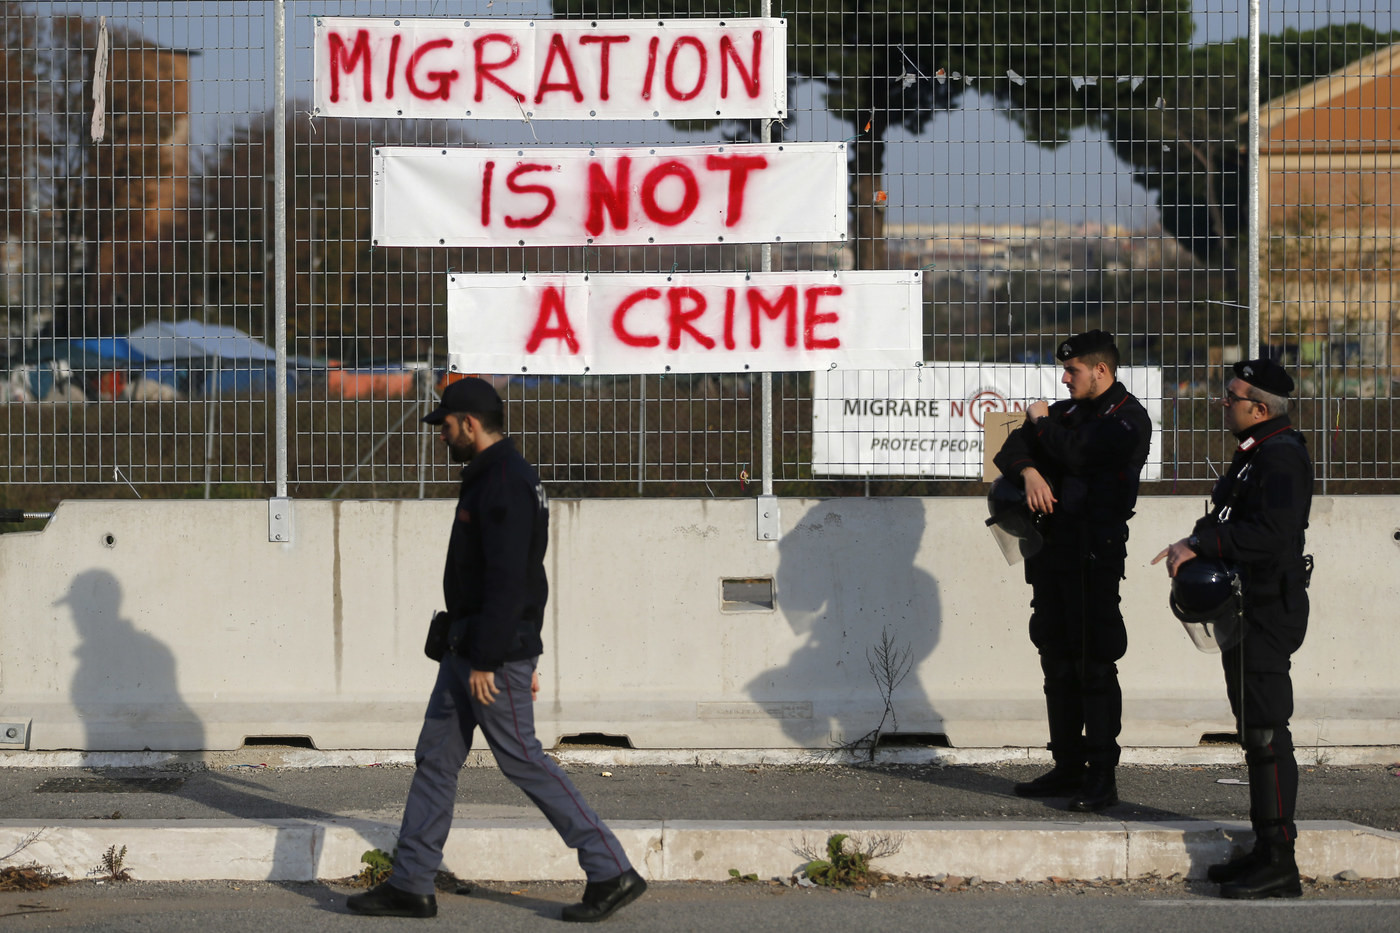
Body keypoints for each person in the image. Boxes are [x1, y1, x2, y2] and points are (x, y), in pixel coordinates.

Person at [348, 377, 646, 922]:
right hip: (470, 648)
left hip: (488, 656)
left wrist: (498, 656)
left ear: (469, 423)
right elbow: (518, 576)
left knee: (523, 761)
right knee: (435, 758)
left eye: (445, 426)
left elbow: (513, 578)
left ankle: (610, 870)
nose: (440, 436)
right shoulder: (491, 475)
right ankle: (411, 884)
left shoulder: (505, 480)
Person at [1153, 358, 1312, 900]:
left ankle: (1279, 863)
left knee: (1267, 736)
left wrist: (1200, 546)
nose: (1224, 403)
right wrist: (1192, 540)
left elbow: (1271, 533)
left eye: (1233, 397)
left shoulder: (1282, 456)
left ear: (1260, 408)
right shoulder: (1255, 454)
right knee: (1254, 735)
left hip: (1268, 609)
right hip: (1245, 609)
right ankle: (1264, 850)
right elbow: (1224, 518)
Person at [992, 330, 1151, 812]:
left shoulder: (1127, 420)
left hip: (1094, 552)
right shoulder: (1062, 415)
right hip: (1051, 550)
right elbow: (1009, 448)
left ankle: (1100, 775)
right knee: (1056, 658)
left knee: (1094, 662)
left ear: (1100, 371)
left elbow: (1078, 453)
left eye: (1073, 371)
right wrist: (1030, 471)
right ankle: (1066, 766)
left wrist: (1040, 428)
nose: (1064, 379)